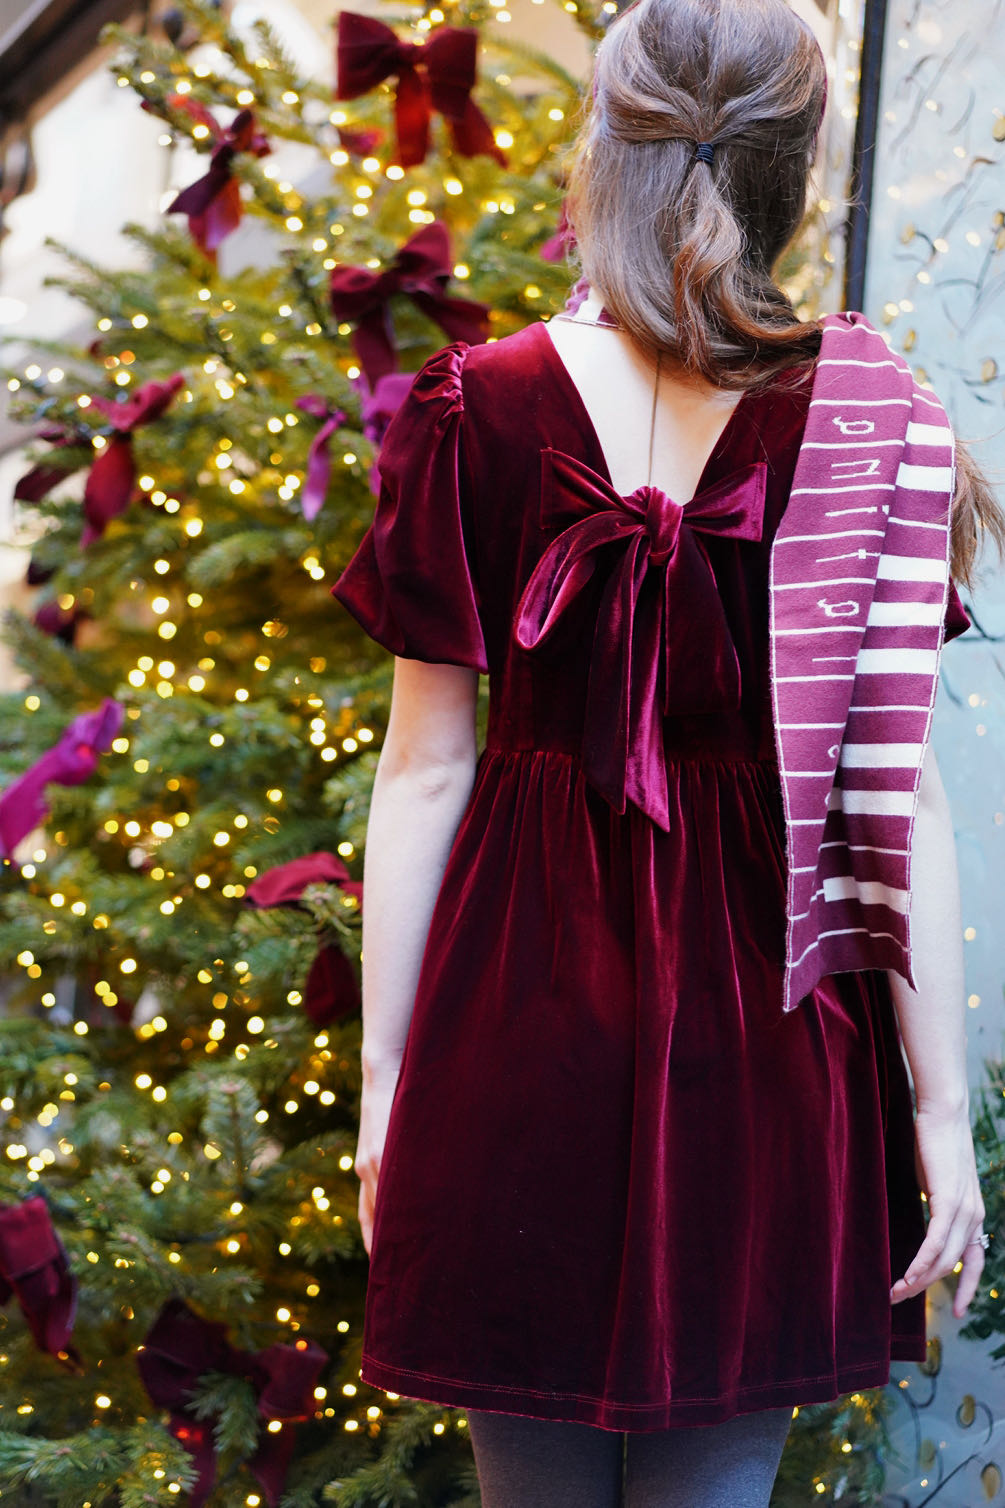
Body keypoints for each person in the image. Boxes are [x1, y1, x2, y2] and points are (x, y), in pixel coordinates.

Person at [330, 0, 1005, 1502]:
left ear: (605, 154)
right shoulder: (867, 413)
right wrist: (934, 1114)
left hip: (513, 1012)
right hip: (763, 1021)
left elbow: (426, 769)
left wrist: (389, 1081)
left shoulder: (474, 405)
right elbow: (890, 794)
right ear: (793, 167)